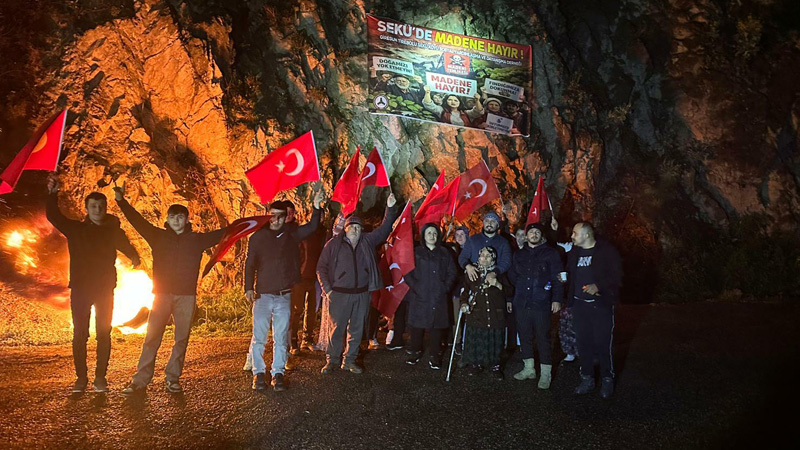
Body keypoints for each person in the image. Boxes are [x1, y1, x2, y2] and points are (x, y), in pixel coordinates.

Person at [115, 184, 227, 394]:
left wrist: (253, 224)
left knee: (181, 339)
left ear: (187, 220)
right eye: (173, 216)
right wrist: (121, 201)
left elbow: (225, 232)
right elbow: (137, 221)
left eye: (181, 216)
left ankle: (173, 378)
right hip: (161, 295)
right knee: (151, 338)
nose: (176, 220)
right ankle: (140, 380)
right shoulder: (157, 236)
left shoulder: (197, 240)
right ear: (167, 219)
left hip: (186, 297)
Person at [45, 178, 140, 393]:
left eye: (101, 206)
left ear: (105, 208)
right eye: (93, 206)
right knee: (80, 334)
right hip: (80, 289)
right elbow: (53, 216)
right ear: (86, 209)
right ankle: (81, 379)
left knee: (103, 333)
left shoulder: (112, 230)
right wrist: (52, 194)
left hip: (105, 289)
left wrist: (135, 257)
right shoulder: (76, 230)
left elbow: (127, 246)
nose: (97, 209)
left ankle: (100, 378)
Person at [245, 190, 325, 391]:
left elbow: (313, 227)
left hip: (283, 295)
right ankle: (258, 373)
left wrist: (316, 207)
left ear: (284, 218)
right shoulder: (257, 237)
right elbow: (249, 264)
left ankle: (278, 373)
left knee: (281, 337)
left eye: (280, 217)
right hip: (262, 295)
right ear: (267, 215)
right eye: (272, 216)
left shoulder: (291, 235)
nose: (276, 220)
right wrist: (248, 287)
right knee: (259, 337)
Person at [316, 193, 398, 374]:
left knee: (356, 329)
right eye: (351, 226)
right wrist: (328, 290)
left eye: (358, 227)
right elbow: (321, 268)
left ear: (362, 230)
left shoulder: (367, 242)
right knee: (336, 330)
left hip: (361, 293)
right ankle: (332, 360)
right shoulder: (333, 245)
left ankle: (350, 360)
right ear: (345, 229)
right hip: (338, 294)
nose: (355, 229)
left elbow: (385, 229)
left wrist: (390, 208)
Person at [568, 222, 623, 399]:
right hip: (579, 306)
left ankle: (607, 379)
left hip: (600, 306)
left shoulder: (606, 251)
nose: (572, 237)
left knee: (602, 344)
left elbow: (618, 276)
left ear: (586, 235)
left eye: (575, 234)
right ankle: (587, 379)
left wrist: (599, 286)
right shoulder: (575, 252)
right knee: (583, 344)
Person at [508, 223, 564, 389]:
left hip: (541, 302)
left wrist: (557, 299)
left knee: (543, 337)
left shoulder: (551, 253)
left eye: (537, 232)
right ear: (526, 236)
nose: (533, 234)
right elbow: (512, 276)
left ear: (542, 235)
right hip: (522, 302)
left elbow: (558, 278)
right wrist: (513, 297)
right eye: (531, 232)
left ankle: (545, 373)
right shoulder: (519, 254)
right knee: (524, 335)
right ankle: (529, 368)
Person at [404, 223, 458, 369]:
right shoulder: (416, 252)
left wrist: (444, 287)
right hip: (420, 295)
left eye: (434, 233)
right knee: (417, 326)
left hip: (438, 295)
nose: (432, 236)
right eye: (429, 233)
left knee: (437, 327)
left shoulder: (444, 253)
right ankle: (415, 351)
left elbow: (452, 272)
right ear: (423, 235)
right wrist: (416, 286)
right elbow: (407, 271)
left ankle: (434, 355)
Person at [459, 246, 512, 379]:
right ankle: (475, 364)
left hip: (495, 315)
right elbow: (464, 292)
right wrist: (464, 303)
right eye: (482, 255)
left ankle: (495, 366)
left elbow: (510, 291)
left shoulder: (499, 273)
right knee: (477, 338)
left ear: (493, 259)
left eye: (488, 256)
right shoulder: (472, 273)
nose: (484, 258)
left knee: (495, 340)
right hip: (477, 314)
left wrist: (498, 285)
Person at [458, 211, 512, 282]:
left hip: (494, 280)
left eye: (493, 221)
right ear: (483, 223)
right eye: (487, 221)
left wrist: (495, 272)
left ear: (497, 225)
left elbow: (506, 261)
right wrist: (468, 266)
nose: (489, 224)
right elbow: (463, 257)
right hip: (474, 279)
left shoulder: (503, 242)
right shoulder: (473, 239)